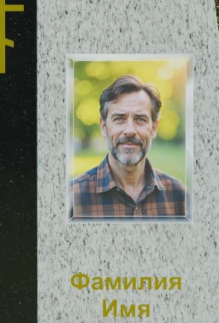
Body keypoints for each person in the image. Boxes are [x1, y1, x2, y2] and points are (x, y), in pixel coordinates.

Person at [69, 75, 186, 220]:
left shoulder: (180, 197)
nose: (130, 130)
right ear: (104, 127)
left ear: (154, 128)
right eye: (119, 119)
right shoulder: (71, 198)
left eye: (140, 119)